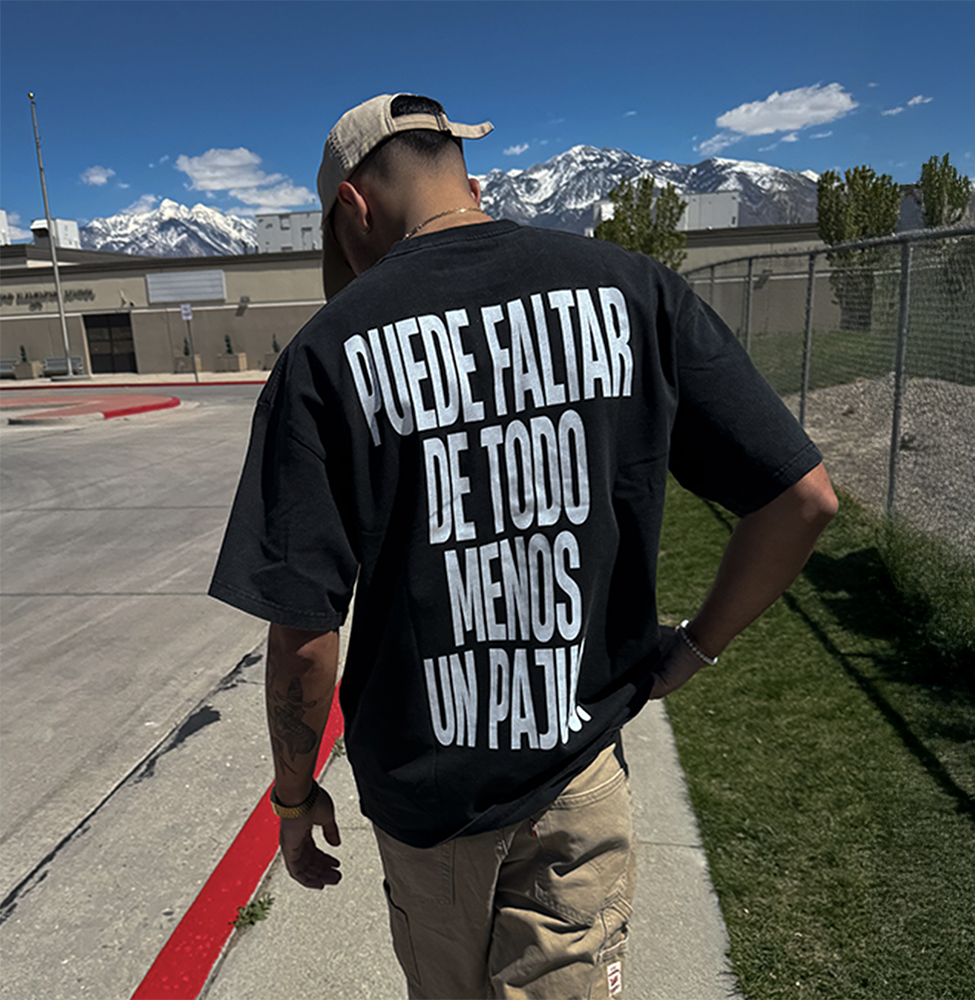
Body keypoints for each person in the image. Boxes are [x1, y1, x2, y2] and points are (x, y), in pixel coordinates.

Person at [209, 93, 838, 999]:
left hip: (425, 806)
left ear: (354, 205)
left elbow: (304, 636)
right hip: (574, 781)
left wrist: (295, 797)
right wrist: (695, 648)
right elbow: (802, 499)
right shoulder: (633, 291)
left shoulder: (324, 354)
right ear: (463, 166)